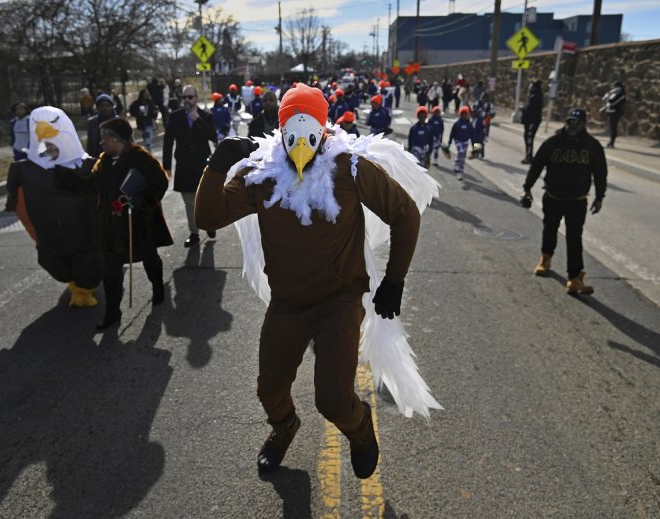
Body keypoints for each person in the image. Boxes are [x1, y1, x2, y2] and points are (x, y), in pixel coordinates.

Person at [194, 83, 428, 480]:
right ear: (281, 128)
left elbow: (405, 213)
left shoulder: (350, 168)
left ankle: (359, 427)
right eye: (292, 130)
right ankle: (285, 426)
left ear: (323, 128)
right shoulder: (262, 174)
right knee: (269, 390)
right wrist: (215, 167)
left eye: (309, 130)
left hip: (339, 300)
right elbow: (208, 218)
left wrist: (395, 280)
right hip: (287, 302)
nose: (301, 143)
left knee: (334, 401)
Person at [59, 118, 173, 330]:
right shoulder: (103, 162)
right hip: (111, 227)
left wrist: (140, 199)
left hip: (138, 223)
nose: (101, 142)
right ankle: (112, 312)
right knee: (110, 270)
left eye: (104, 138)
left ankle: (158, 287)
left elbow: (161, 182)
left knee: (150, 258)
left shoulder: (141, 158)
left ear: (117, 138)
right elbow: (90, 186)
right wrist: (62, 174)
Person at [5, 106, 100, 308]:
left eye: (52, 123)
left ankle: (84, 288)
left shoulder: (88, 166)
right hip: (50, 231)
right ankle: (75, 284)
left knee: (86, 256)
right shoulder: (26, 170)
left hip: (83, 229)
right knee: (56, 258)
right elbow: (19, 201)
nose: (44, 128)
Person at [520, 108, 607, 295]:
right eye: (570, 122)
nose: (572, 126)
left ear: (584, 124)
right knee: (549, 229)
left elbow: (600, 173)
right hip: (553, 197)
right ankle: (545, 259)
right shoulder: (553, 143)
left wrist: (600, 197)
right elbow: (537, 165)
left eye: (577, 122)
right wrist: (527, 187)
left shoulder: (592, 146)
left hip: (577, 200)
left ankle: (574, 278)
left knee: (575, 237)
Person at [162, 85, 216, 247]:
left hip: (202, 165)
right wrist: (166, 166)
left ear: (196, 98)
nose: (187, 100)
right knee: (189, 202)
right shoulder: (175, 117)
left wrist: (197, 120)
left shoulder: (206, 116)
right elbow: (168, 142)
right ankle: (194, 233)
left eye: (190, 97)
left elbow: (212, 136)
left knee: (205, 198)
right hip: (184, 166)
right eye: (184, 97)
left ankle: (209, 223)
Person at [447, 105, 474, 181]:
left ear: (467, 114)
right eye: (462, 114)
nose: (464, 115)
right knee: (461, 152)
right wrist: (449, 142)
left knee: (462, 156)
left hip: (466, 142)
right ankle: (460, 172)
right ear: (460, 114)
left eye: (465, 114)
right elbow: (452, 134)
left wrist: (473, 144)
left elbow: (472, 135)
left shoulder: (469, 124)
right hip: (458, 141)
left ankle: (456, 162)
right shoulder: (457, 124)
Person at [86, 94, 117, 158]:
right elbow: (90, 143)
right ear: (98, 108)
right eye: (102, 105)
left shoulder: (118, 121)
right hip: (97, 157)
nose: (105, 108)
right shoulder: (92, 122)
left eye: (108, 105)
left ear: (112, 107)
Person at [520, 80, 543, 164]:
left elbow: (529, 109)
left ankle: (529, 157)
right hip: (531, 121)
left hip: (532, 121)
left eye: (531, 86)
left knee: (529, 138)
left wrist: (523, 108)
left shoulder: (534, 97)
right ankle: (528, 156)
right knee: (528, 138)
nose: (529, 88)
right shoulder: (535, 96)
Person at [602, 81, 626, 148]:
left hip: (615, 112)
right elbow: (605, 99)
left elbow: (611, 101)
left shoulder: (620, 93)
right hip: (612, 112)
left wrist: (608, 95)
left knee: (613, 128)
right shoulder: (616, 92)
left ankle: (611, 142)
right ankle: (611, 142)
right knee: (612, 127)